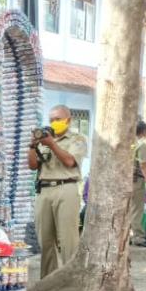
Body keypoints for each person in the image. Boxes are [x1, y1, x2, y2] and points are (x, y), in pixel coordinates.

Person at [28, 104, 88, 278]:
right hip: (44, 190)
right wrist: (32, 146)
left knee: (68, 240)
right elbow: (32, 165)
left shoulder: (77, 139)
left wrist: (52, 144)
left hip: (66, 188)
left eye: (58, 119)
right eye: (51, 120)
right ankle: (48, 281)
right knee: (45, 240)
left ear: (68, 120)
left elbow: (70, 162)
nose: (54, 122)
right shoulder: (45, 139)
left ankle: (71, 281)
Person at [129, 121, 146, 243]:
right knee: (137, 210)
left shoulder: (129, 144)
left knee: (128, 209)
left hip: (125, 180)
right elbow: (144, 166)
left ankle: (126, 236)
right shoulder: (142, 146)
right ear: (144, 131)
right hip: (137, 180)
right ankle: (138, 236)